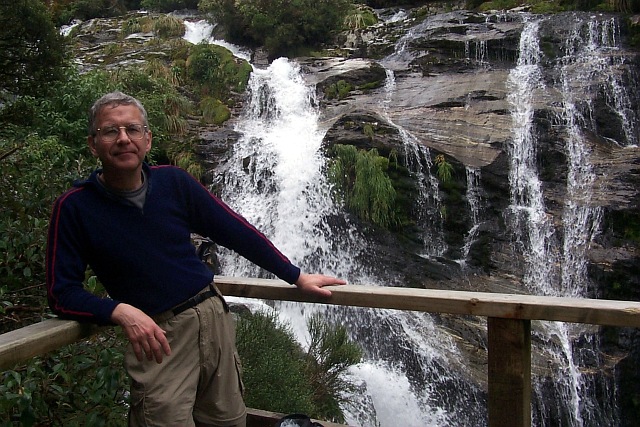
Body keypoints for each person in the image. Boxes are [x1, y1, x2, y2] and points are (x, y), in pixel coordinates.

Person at [46, 91, 346, 427]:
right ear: (93, 144)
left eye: (132, 129)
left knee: (228, 421)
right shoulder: (74, 207)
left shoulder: (174, 182)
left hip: (213, 317)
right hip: (159, 334)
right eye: (110, 131)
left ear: (147, 139)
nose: (123, 139)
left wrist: (296, 276)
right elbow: (62, 293)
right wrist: (119, 311)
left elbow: (235, 231)